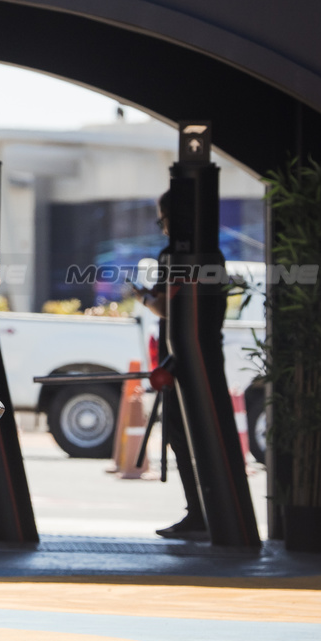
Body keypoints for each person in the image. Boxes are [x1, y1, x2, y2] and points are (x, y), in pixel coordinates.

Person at [133, 190, 209, 540]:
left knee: (180, 435)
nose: (162, 227)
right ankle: (206, 510)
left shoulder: (171, 257)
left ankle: (198, 512)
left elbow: (165, 308)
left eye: (162, 219)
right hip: (203, 357)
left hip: (180, 361)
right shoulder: (208, 254)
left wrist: (142, 296)